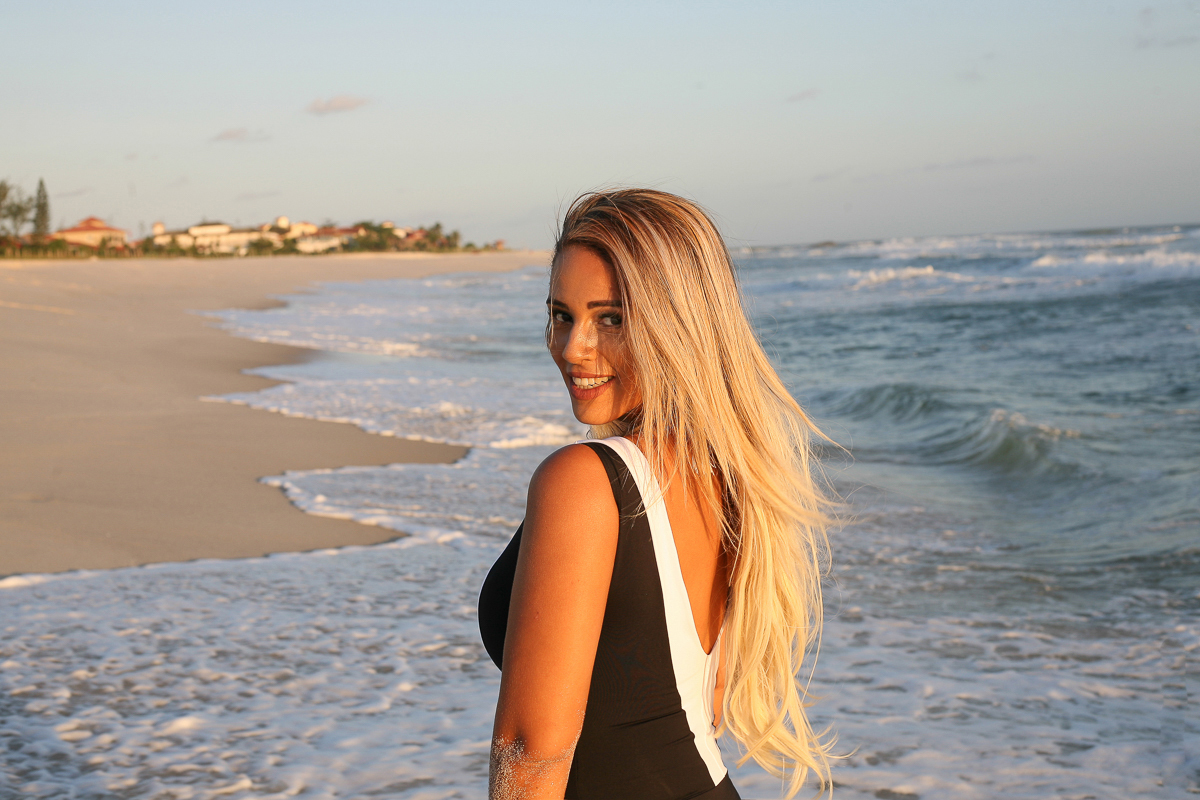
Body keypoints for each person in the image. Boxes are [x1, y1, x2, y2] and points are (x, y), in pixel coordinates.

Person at [478, 189, 835, 799]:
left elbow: (531, 751)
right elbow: (703, 699)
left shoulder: (585, 481)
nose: (572, 348)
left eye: (611, 319)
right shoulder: (726, 475)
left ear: (677, 325)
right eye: (561, 315)